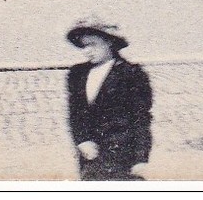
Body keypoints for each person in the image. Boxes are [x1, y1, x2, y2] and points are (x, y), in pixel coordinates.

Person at [65, 17, 153, 181]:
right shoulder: (77, 74)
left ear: (109, 43)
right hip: (90, 155)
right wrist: (82, 140)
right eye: (83, 46)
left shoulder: (131, 74)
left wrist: (141, 158)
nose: (87, 51)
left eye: (93, 45)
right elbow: (75, 112)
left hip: (123, 153)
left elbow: (141, 118)